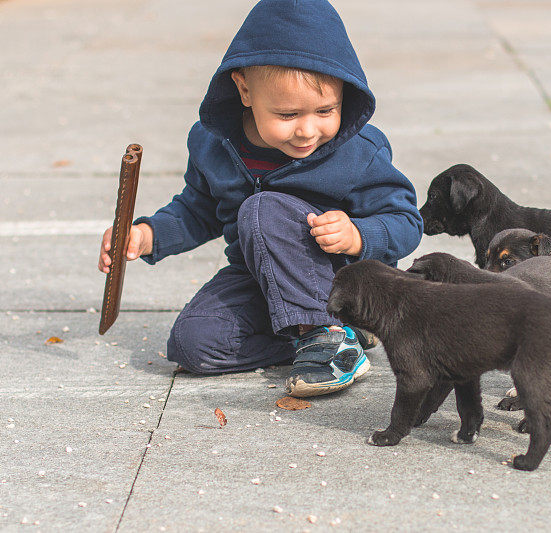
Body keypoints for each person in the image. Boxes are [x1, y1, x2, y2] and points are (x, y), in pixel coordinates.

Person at [97, 0, 423, 398]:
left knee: (262, 207)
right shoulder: (213, 144)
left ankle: (329, 337)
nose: (307, 130)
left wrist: (359, 234)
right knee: (192, 344)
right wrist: (147, 234)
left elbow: (406, 219)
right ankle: (326, 332)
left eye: (325, 110)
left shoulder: (358, 150)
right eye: (287, 115)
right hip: (262, 276)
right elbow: (198, 209)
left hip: (346, 277)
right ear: (245, 89)